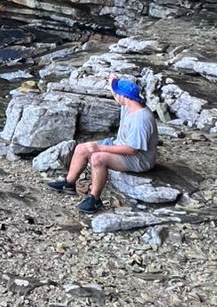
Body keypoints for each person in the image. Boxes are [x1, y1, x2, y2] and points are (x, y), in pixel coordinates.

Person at [48, 75, 158, 212]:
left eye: (117, 93)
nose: (115, 95)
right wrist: (112, 80)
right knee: (81, 148)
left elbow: (132, 149)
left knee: (97, 158)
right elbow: (116, 93)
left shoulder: (140, 119)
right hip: (120, 145)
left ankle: (94, 199)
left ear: (124, 96)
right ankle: (68, 183)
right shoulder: (129, 103)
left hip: (139, 159)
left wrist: (100, 147)